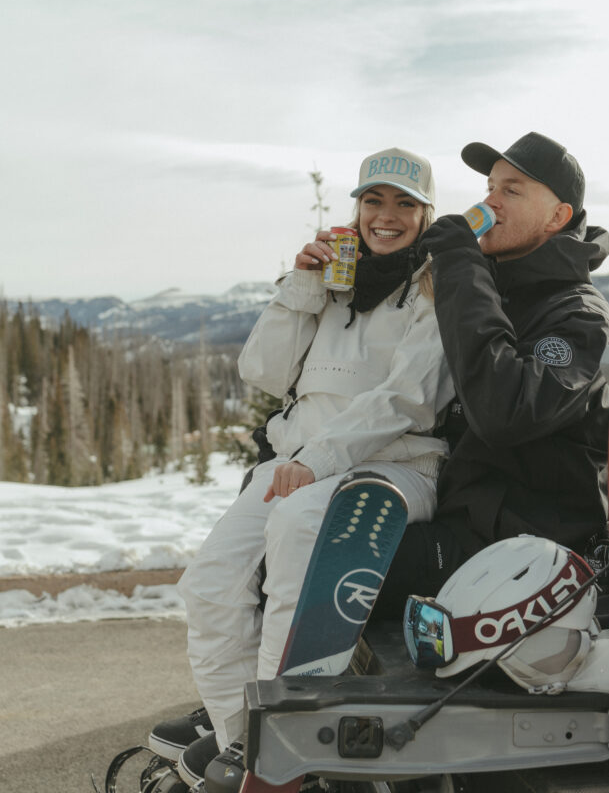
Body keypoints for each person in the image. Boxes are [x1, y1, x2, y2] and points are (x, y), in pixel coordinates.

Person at [153, 147, 455, 789]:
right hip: (303, 464)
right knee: (208, 586)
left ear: (427, 214)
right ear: (358, 207)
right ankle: (241, 742)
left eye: (405, 203)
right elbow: (261, 370)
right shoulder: (335, 282)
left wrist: (318, 460)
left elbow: (410, 397)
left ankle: (280, 743)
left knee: (295, 538)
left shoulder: (436, 284)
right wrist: (301, 285)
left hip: (393, 465)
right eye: (374, 200)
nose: (387, 215)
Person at [373, 131, 609, 617]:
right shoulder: (488, 285)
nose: (490, 201)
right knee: (285, 552)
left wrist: (463, 264)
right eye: (490, 187)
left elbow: (505, 411)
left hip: (527, 553)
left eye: (512, 190)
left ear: (557, 216)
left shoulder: (578, 315)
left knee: (341, 570)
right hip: (460, 520)